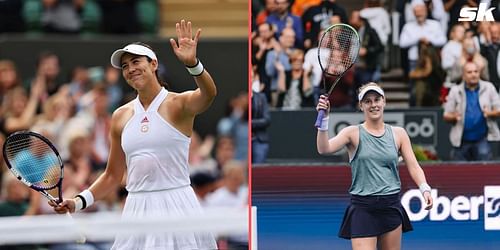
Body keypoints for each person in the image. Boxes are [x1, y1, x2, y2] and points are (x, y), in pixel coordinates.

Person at [49, 20, 218, 249]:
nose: (130, 69)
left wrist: (193, 65)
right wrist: (78, 202)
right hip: (136, 207)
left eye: (136, 61)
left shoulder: (178, 104)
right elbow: (112, 175)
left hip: (177, 204)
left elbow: (208, 94)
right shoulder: (120, 115)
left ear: (154, 64)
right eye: (125, 66)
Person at [316, 82, 433, 249]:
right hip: (363, 208)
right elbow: (324, 148)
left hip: (390, 206)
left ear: (384, 102)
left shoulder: (399, 134)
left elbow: (413, 166)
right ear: (361, 106)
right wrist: (325, 119)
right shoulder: (352, 133)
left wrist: (425, 188)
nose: (373, 105)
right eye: (368, 101)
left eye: (377, 100)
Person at [443, 61, 500, 161]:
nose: (473, 74)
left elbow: (499, 109)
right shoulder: (455, 91)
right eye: (469, 72)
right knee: (459, 174)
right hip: (460, 141)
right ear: (463, 75)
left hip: (482, 140)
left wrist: (489, 113)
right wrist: (454, 117)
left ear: (479, 73)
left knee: (485, 172)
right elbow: (446, 115)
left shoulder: (489, 87)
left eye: (476, 71)